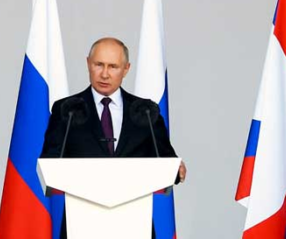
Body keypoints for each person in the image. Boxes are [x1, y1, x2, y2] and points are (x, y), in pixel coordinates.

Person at [40, 37, 186, 237]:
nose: (105, 74)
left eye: (113, 67)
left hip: (135, 224)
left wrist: (176, 169)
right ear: (88, 63)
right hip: (81, 223)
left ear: (126, 69)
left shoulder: (145, 111)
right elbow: (50, 161)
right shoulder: (67, 109)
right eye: (99, 64)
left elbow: (166, 160)